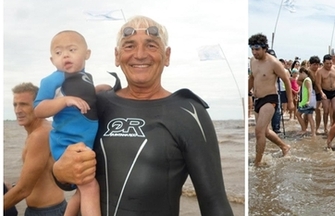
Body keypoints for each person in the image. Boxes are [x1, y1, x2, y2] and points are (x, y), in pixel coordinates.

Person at [52, 16, 234, 215]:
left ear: (167, 56)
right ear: (117, 55)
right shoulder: (97, 104)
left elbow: (215, 203)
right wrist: (59, 172)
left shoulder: (189, 112)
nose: (140, 55)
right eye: (129, 46)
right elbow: (68, 172)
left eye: (151, 46)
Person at [33, 31, 100, 216]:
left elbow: (85, 96)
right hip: (68, 144)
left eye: (72, 50)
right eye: (58, 52)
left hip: (83, 141)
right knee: (90, 187)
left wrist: (98, 90)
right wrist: (64, 101)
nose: (65, 55)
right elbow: (38, 109)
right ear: (51, 59)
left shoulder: (86, 76)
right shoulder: (53, 79)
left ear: (87, 54)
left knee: (81, 189)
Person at [4, 83, 67, 215]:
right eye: (15, 104)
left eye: (24, 104)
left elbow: (24, 190)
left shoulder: (40, 135)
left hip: (47, 212)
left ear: (38, 105)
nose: (17, 110)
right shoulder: (39, 131)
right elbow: (38, 177)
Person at [248, 33, 292, 165]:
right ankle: (285, 147)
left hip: (270, 98)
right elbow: (252, 77)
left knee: (259, 130)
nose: (255, 52)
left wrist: (290, 102)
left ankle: (257, 162)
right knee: (265, 131)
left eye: (257, 49)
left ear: (264, 48)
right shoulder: (252, 61)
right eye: (252, 49)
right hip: (258, 99)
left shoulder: (274, 63)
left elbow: (286, 80)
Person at [315, 54, 335, 133]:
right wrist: (321, 93)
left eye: (330, 63)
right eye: (327, 63)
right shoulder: (319, 71)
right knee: (326, 111)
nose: (329, 65)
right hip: (325, 91)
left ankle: (333, 124)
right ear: (323, 62)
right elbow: (318, 83)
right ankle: (325, 127)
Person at [296, 67, 317, 137]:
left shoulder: (307, 80)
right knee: (309, 117)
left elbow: (309, 90)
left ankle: (304, 129)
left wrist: (308, 100)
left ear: (302, 73)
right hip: (306, 101)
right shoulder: (306, 79)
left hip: (306, 102)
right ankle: (312, 133)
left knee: (299, 114)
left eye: (299, 74)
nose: (299, 75)